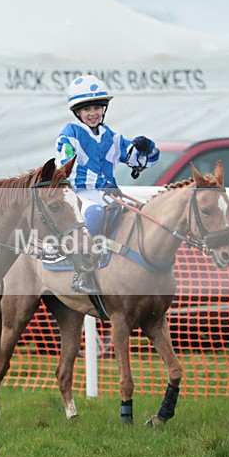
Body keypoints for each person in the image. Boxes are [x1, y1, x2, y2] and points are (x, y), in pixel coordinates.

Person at [56, 75, 160, 294]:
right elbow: (65, 167)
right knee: (94, 213)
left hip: (108, 193)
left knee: (144, 212)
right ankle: (81, 272)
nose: (93, 113)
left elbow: (141, 161)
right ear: (77, 112)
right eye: (87, 109)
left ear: (104, 109)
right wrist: (102, 182)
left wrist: (147, 147)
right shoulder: (70, 134)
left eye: (97, 107)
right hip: (81, 193)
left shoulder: (110, 136)